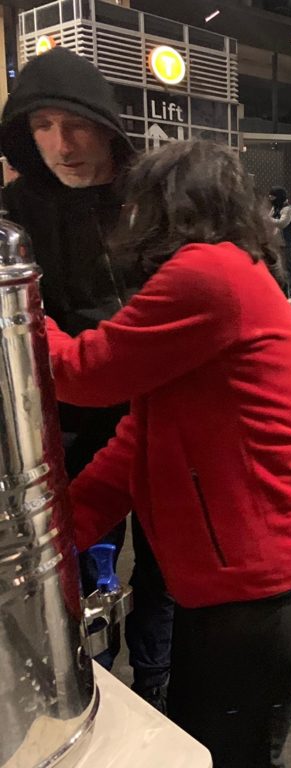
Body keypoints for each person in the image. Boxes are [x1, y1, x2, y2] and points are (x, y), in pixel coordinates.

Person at [44, 140, 291, 766]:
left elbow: (83, 372)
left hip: (261, 589)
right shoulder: (223, 274)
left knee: (233, 756)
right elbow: (139, 437)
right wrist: (63, 529)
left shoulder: (209, 275)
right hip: (236, 588)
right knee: (207, 746)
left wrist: (20, 312)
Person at [0, 46, 174, 709]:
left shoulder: (155, 201)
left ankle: (158, 687)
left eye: (74, 124)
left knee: (167, 573)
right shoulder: (12, 214)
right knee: (76, 577)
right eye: (42, 126)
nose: (61, 144)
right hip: (66, 430)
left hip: (156, 418)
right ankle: (93, 687)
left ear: (107, 126)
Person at [268, 187, 291, 304]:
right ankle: (283, 294)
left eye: (272, 197)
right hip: (275, 243)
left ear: (279, 197)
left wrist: (267, 219)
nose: (270, 199)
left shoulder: (288, 209)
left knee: (288, 269)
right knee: (279, 270)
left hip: (285, 243)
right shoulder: (275, 208)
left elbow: (282, 223)